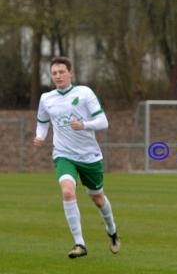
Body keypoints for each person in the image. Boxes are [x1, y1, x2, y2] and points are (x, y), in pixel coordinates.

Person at [33, 56, 120, 258]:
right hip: (63, 154)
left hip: (89, 156)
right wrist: (40, 136)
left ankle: (112, 230)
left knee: (98, 199)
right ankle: (79, 244)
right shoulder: (47, 98)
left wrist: (84, 125)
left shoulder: (84, 93)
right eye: (54, 73)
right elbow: (42, 122)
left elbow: (103, 122)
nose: (58, 76)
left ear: (71, 73)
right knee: (67, 192)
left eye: (62, 72)